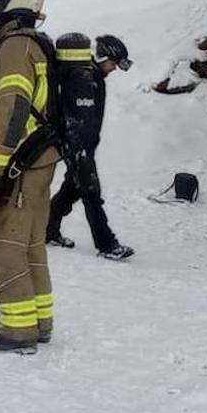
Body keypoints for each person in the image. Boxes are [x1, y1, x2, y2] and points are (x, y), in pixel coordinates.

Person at [0, 0, 58, 354]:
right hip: (39, 163)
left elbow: (13, 108)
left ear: (7, 0)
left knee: (5, 247)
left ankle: (18, 331)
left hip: (18, 166)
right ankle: (40, 322)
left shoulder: (15, 48)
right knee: (31, 246)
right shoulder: (36, 44)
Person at [45, 33, 136, 261]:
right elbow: (78, 119)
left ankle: (46, 229)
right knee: (91, 193)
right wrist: (80, 150)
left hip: (83, 145)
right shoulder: (83, 78)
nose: (113, 69)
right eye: (113, 64)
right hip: (78, 145)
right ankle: (107, 244)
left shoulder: (90, 75)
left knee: (72, 189)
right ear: (102, 56)